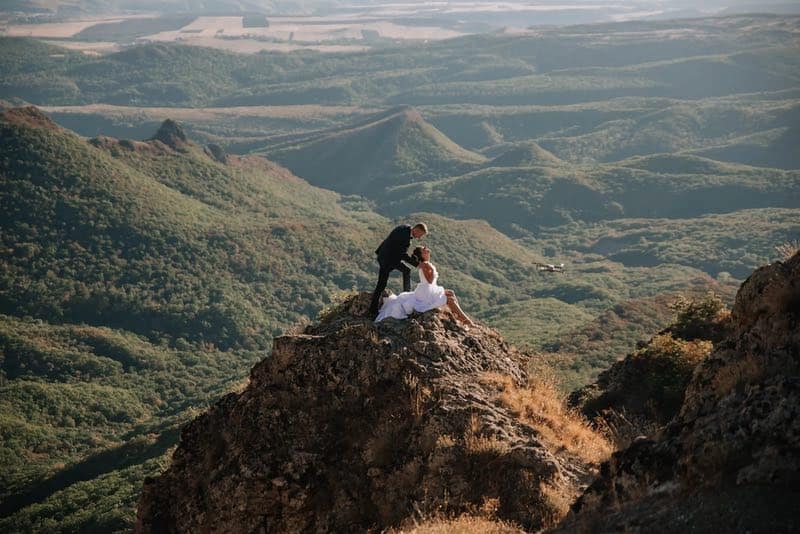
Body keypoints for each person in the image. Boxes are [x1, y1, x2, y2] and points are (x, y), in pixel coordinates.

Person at [375, 246, 475, 328]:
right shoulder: (425, 265)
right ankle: (467, 321)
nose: (426, 248)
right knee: (449, 299)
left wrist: (430, 267)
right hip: (427, 291)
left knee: (451, 293)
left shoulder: (426, 264)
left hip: (430, 289)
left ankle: (461, 318)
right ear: (422, 254)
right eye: (424, 249)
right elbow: (429, 281)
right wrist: (430, 268)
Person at [369, 222, 428, 318]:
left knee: (406, 271)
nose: (419, 237)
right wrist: (417, 264)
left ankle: (406, 294)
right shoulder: (405, 238)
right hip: (387, 259)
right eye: (420, 235)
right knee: (381, 284)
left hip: (389, 256)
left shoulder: (405, 227)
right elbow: (402, 255)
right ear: (416, 230)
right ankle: (372, 310)